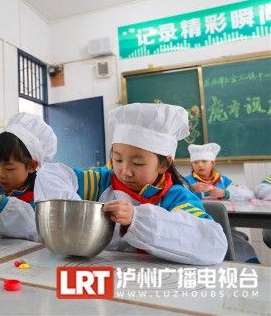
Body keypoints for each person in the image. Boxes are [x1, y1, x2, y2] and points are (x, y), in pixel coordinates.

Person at [70, 103, 227, 265]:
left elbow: (213, 244)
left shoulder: (176, 197)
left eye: (137, 163)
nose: (125, 171)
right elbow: (56, 175)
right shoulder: (101, 182)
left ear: (164, 164)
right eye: (117, 160)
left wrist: (137, 219)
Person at [0, 112, 78, 242]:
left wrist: (3, 206)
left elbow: (40, 232)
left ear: (32, 166)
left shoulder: (42, 196)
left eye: (9, 168)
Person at [184, 143, 254, 201]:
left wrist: (225, 193)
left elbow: (248, 194)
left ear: (212, 163)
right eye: (195, 162)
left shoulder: (223, 180)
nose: (200, 165)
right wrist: (191, 188)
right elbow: (175, 194)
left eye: (204, 161)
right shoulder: (186, 181)